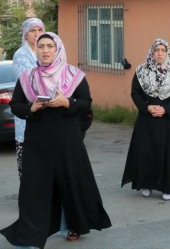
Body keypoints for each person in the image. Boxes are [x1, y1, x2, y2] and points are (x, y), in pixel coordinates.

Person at [1, 32, 111, 248]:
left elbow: (86, 103)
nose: (45, 50)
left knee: (69, 184)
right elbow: (16, 106)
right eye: (41, 46)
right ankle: (31, 235)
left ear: (57, 48)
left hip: (67, 141)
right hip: (37, 143)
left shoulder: (74, 74)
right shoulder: (28, 77)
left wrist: (66, 102)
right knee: (34, 188)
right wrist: (31, 107)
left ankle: (71, 225)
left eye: (50, 46)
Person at [122, 39, 170, 201]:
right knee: (146, 152)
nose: (160, 53)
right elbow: (135, 93)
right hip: (147, 119)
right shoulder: (141, 71)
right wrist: (146, 108)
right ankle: (146, 183)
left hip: (169, 121)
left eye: (163, 50)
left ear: (167, 52)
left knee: (169, 153)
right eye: (157, 50)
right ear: (152, 52)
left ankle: (168, 187)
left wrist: (166, 110)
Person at [11, 17, 45, 177]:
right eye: (33, 30)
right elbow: (31, 82)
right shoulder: (20, 55)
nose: (37, 34)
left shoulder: (47, 50)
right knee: (28, 165)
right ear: (26, 34)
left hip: (46, 113)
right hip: (27, 112)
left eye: (40, 30)